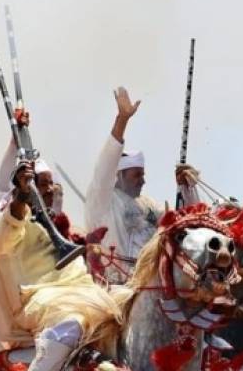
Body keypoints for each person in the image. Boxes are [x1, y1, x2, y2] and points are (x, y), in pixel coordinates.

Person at [0, 161, 124, 371]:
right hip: (41, 300)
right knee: (72, 323)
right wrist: (20, 200)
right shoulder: (14, 220)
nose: (48, 190)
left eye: (51, 184)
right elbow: (1, 240)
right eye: (41, 184)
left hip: (81, 293)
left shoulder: (57, 225)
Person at [84, 87, 203, 284]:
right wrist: (122, 120)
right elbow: (104, 167)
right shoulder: (103, 200)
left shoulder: (148, 204)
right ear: (119, 175)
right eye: (136, 175)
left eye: (143, 175)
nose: (143, 180)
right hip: (112, 288)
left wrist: (187, 188)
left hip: (150, 288)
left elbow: (187, 225)